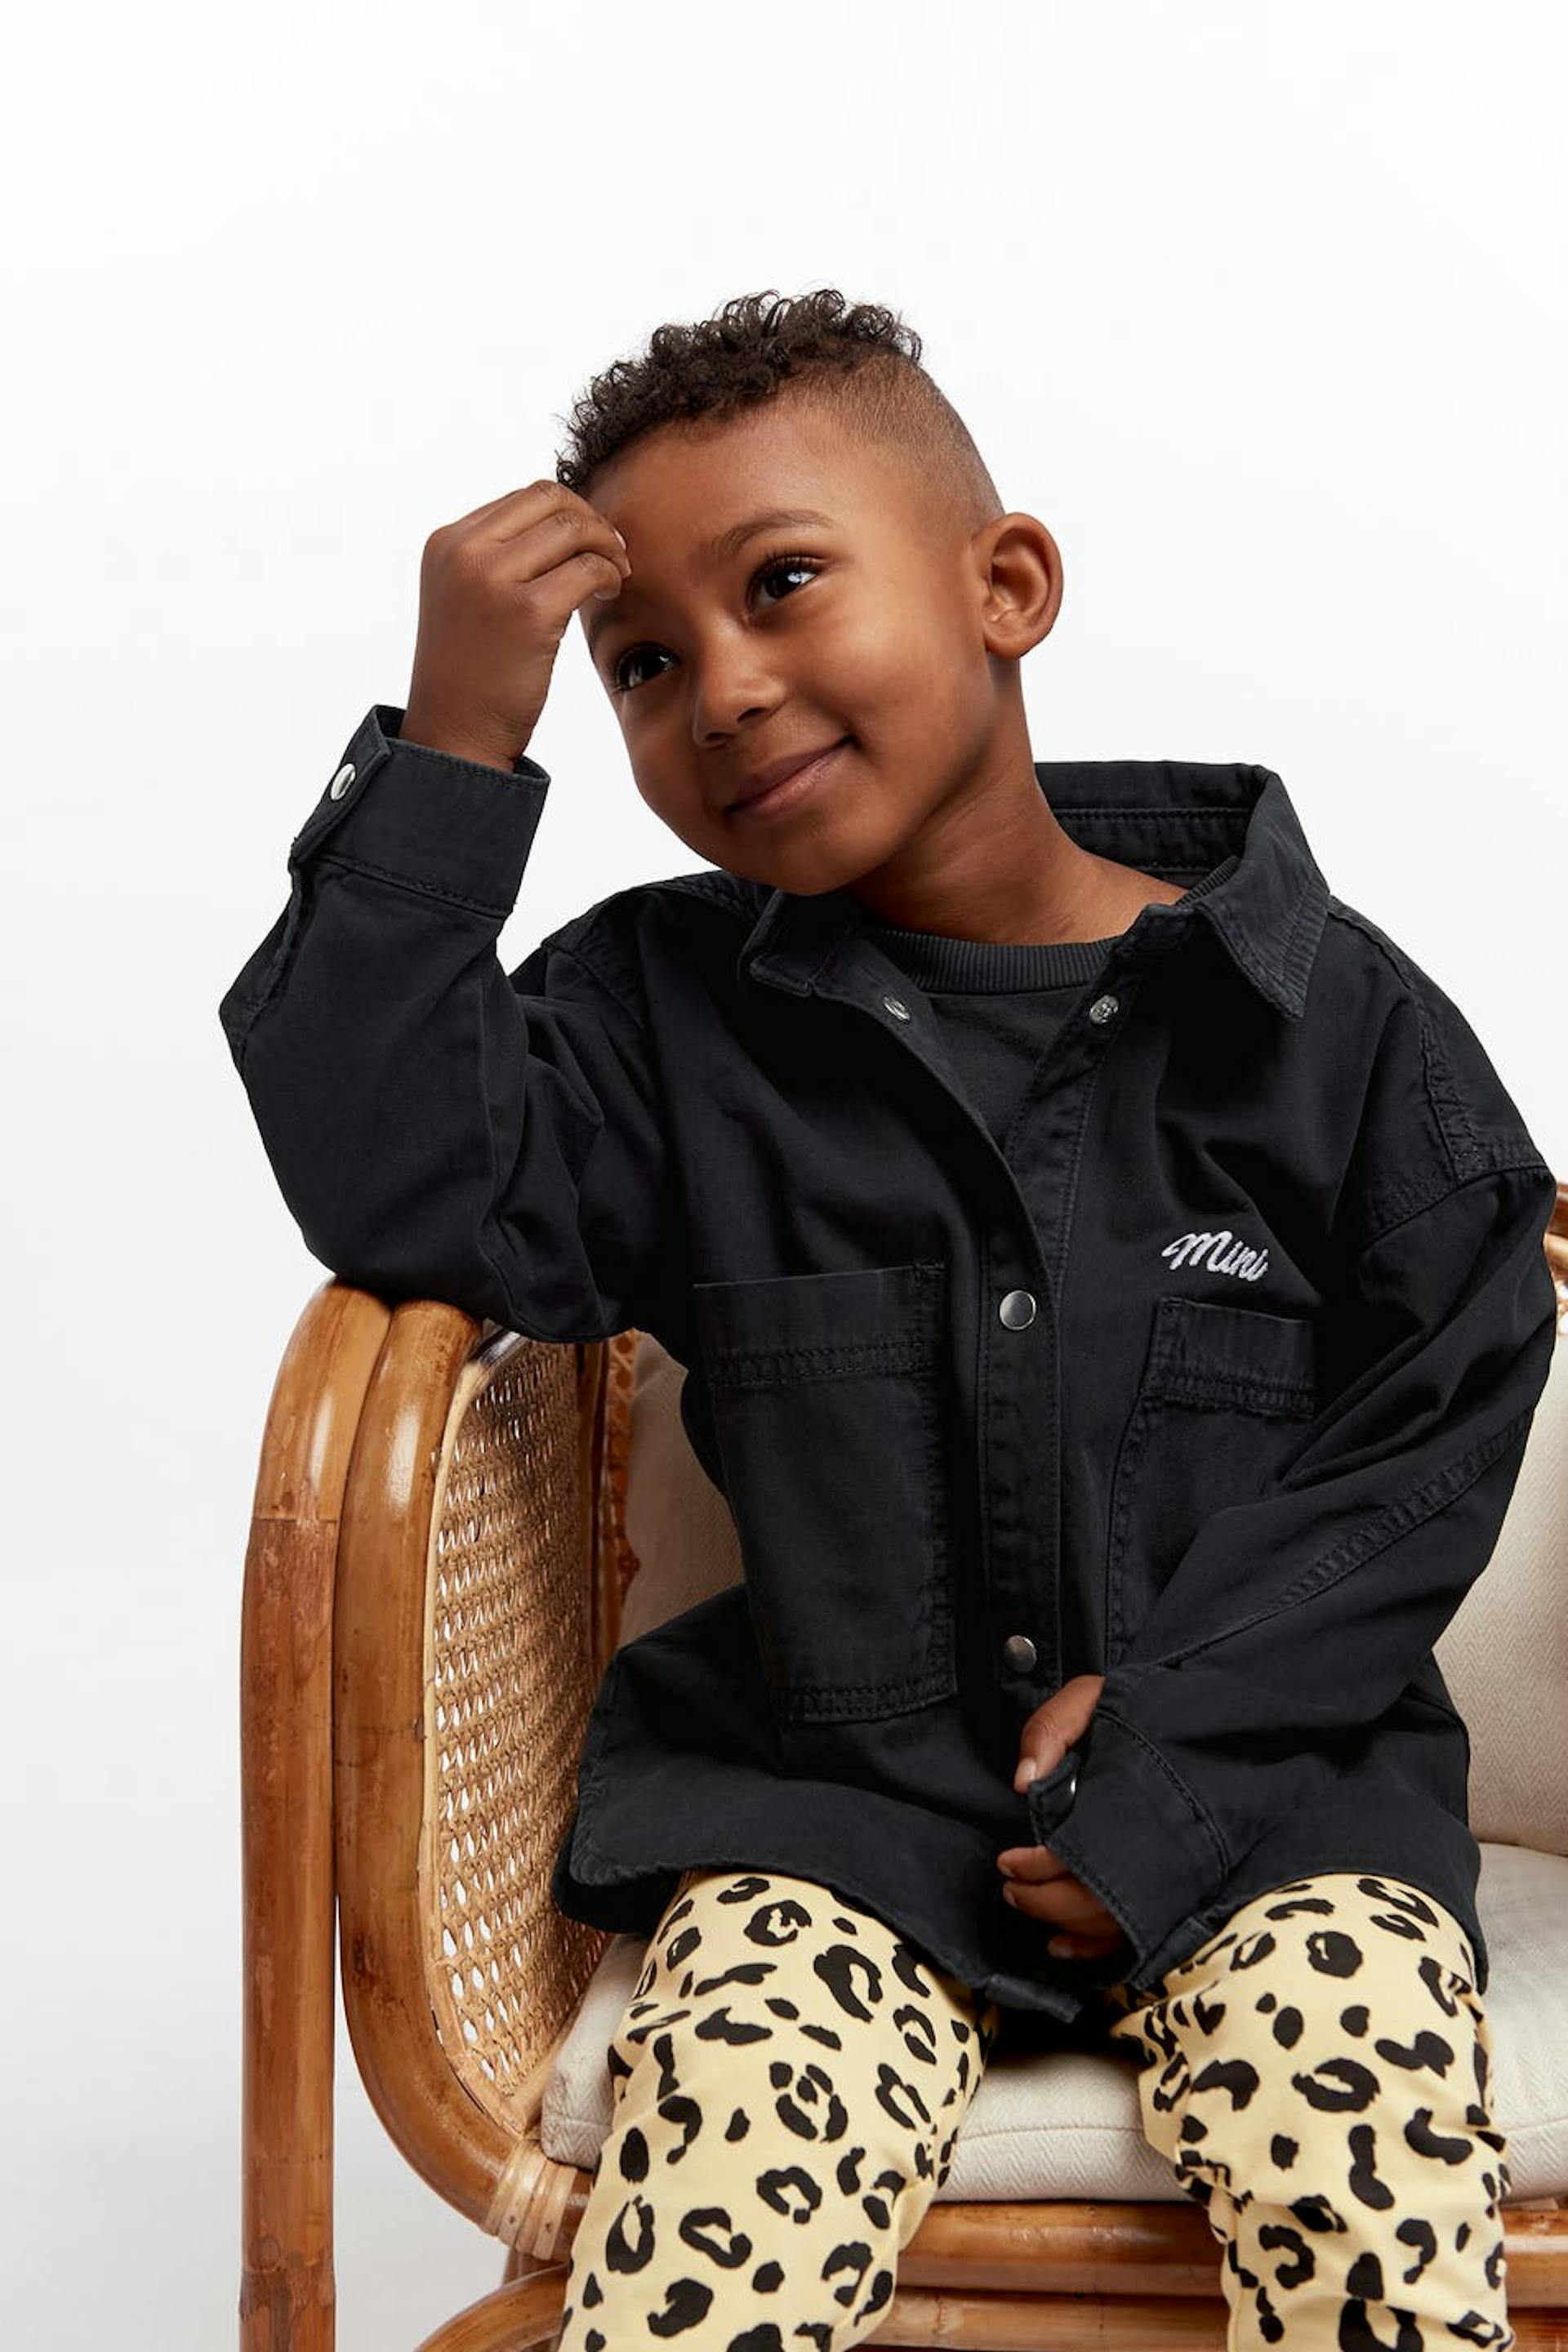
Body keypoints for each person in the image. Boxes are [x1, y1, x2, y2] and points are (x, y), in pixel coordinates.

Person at [219, 287, 1552, 2350]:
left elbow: (1441, 1411)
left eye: (782, 585)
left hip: (1269, 1808)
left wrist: (1179, 1743)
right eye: (644, 664)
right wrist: (456, 744)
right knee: (712, 2215)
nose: (724, 692)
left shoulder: (1332, 1025)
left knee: (1364, 2174)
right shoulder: (657, 1019)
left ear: (1006, 587)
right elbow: (399, 1184)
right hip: (830, 1832)